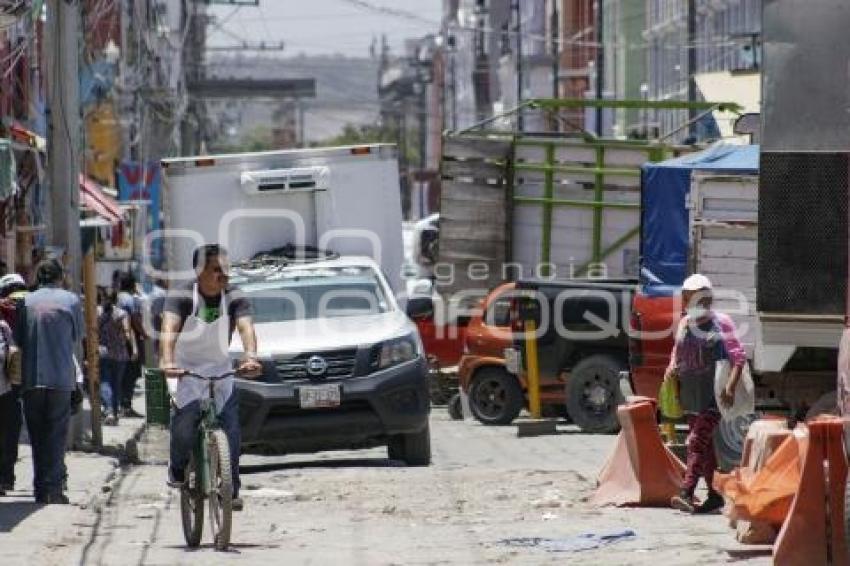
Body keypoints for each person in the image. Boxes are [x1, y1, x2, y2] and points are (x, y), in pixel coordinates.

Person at [160, 244, 261, 512]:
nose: (223, 275)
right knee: (185, 421)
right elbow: (169, 330)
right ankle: (178, 467)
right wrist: (168, 363)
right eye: (217, 270)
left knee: (232, 428)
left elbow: (246, 327)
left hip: (220, 369)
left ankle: (231, 489)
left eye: (226, 269)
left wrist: (251, 356)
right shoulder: (182, 295)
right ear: (199, 271)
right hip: (186, 370)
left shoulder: (234, 296)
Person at [665, 273, 746, 514]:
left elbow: (738, 358)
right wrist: (672, 371)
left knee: (695, 441)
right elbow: (676, 353)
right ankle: (714, 495)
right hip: (690, 395)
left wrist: (730, 388)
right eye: (689, 297)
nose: (694, 302)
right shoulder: (684, 323)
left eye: (699, 297)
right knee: (705, 446)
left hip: (714, 395)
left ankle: (686, 492)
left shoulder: (722, 323)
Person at [15, 259, 83, 504]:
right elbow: (77, 337)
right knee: (56, 435)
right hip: (61, 379)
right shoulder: (71, 300)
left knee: (37, 436)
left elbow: (19, 339)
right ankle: (53, 489)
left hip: (32, 378)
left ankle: (40, 487)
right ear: (59, 277)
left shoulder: (26, 302)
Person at [0, 273, 26, 493]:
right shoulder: (29, 305)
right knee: (11, 429)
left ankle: (5, 476)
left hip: (10, 379)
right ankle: (6, 476)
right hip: (14, 379)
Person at [98, 289, 137, 425]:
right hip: (120, 354)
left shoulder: (98, 313)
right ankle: (113, 413)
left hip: (102, 352)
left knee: (105, 381)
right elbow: (127, 332)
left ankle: (109, 411)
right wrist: (133, 348)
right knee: (116, 384)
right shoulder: (121, 314)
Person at [117, 272, 146, 418]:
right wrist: (144, 333)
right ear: (133, 285)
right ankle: (126, 405)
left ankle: (122, 404)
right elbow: (135, 320)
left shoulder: (117, 297)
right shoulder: (130, 299)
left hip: (116, 341)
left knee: (121, 374)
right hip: (131, 341)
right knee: (131, 373)